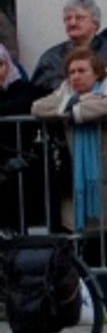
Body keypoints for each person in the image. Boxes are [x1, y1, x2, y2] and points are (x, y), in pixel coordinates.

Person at [31, 48, 107, 320]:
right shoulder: (64, 92)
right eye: (71, 72)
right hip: (74, 183)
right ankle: (87, 304)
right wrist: (75, 102)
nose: (76, 76)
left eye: (82, 71)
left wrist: (74, 111)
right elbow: (37, 107)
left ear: (96, 73)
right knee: (82, 249)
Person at [32, 0, 107, 91]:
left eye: (79, 18)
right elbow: (36, 95)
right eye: (67, 19)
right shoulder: (50, 58)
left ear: (95, 23)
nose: (72, 23)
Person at [0, 44, 49, 233]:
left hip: (20, 165)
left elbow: (25, 103)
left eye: (0, 64)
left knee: (18, 221)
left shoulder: (23, 89)